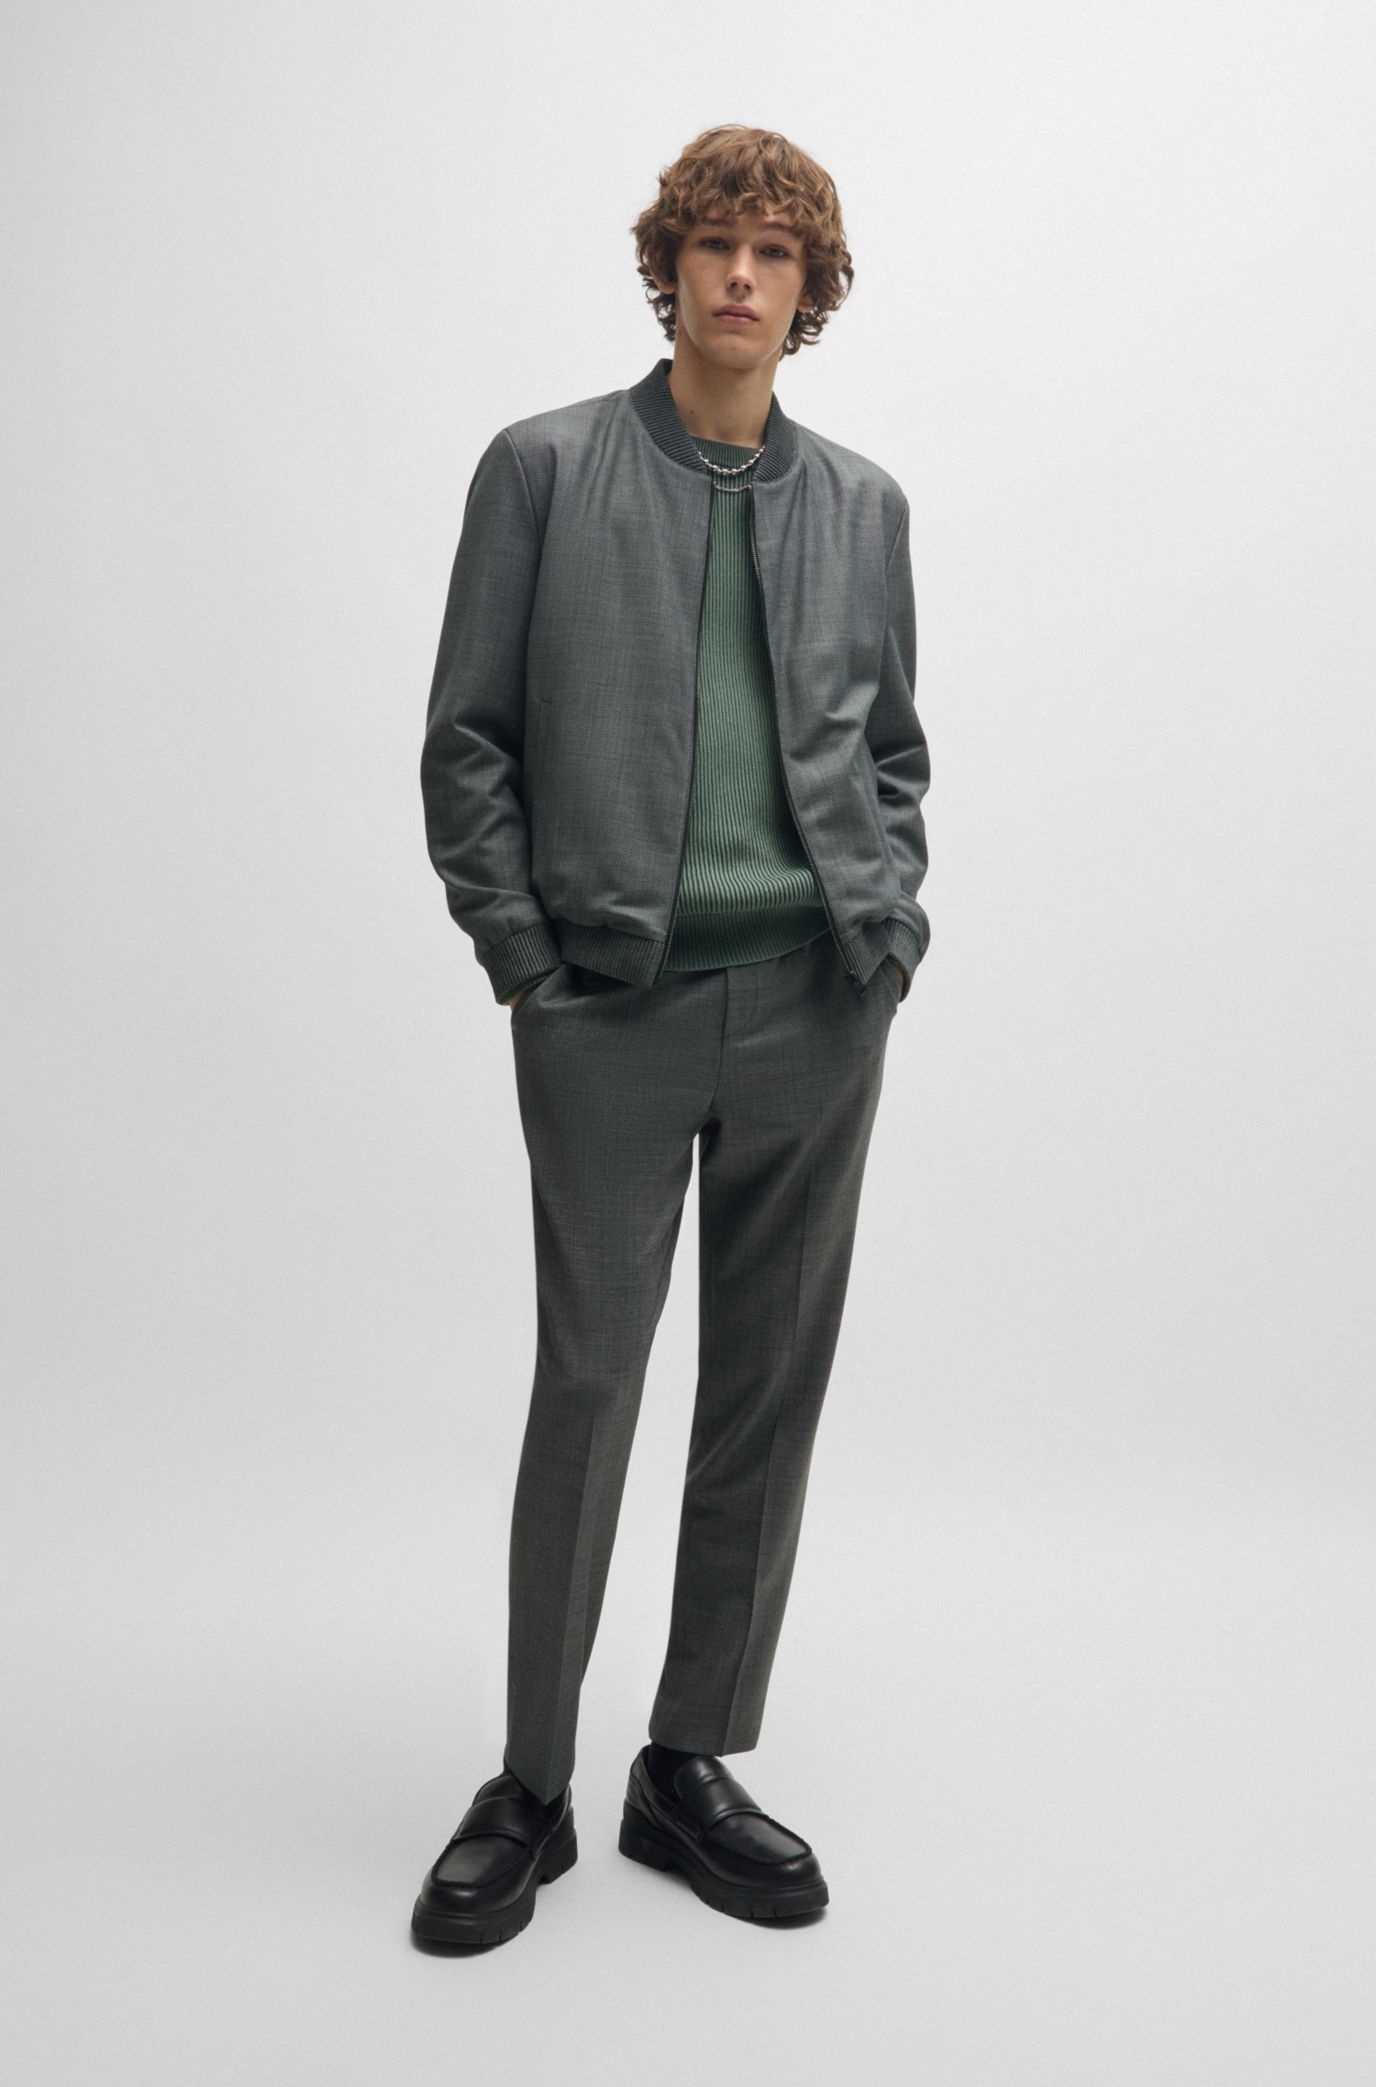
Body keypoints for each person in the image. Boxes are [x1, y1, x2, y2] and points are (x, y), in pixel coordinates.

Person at [411, 123, 931, 1946]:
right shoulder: (544, 470)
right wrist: (528, 962)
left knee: (766, 1394)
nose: (741, 276)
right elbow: (467, 742)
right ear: (670, 267)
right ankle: (530, 1783)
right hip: (607, 1009)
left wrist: (884, 931)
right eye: (715, 244)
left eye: (776, 253)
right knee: (591, 1382)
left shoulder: (862, 505)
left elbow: (889, 749)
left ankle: (687, 1761)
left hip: (815, 1003)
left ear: (811, 290)